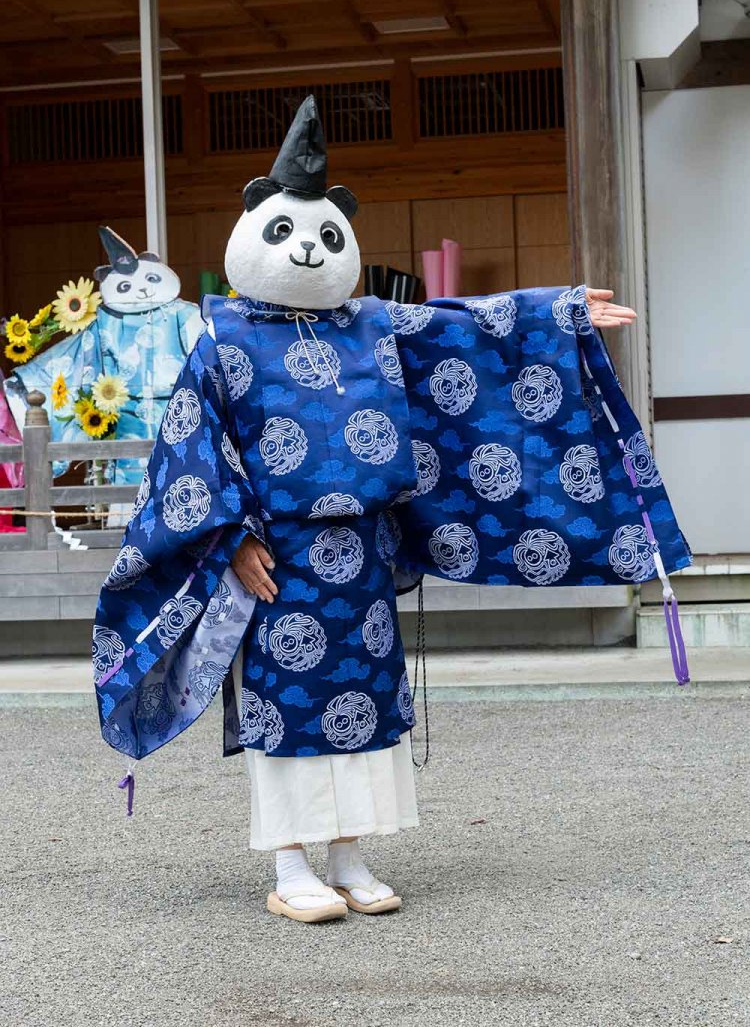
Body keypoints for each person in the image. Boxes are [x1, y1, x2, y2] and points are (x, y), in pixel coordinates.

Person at [93, 97, 690, 924]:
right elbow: (192, 450)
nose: (307, 246)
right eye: (286, 231)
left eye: (325, 233)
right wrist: (229, 540)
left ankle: (352, 852)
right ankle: (293, 861)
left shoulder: (372, 322)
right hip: (280, 555)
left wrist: (557, 312)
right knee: (288, 700)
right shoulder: (221, 340)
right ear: (250, 225)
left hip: (365, 553)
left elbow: (464, 328)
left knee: (370, 698)